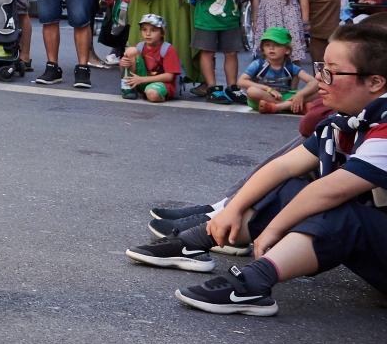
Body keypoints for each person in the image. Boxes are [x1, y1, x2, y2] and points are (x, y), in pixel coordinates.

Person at [164, 18, 387, 316]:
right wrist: (231, 209)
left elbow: (331, 191)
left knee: (340, 212)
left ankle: (254, 282)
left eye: (331, 73)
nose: (320, 79)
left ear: (375, 82)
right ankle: (202, 237)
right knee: (291, 189)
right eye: (321, 68)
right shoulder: (348, 120)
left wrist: (274, 229)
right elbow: (281, 168)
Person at [241, 27, 309, 114]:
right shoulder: (258, 64)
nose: (271, 48)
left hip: (284, 95)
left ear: (287, 50)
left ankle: (277, 107)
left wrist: (301, 94)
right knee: (251, 91)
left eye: (277, 45)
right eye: (267, 45)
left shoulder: (291, 66)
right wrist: (267, 89)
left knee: (319, 92)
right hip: (262, 97)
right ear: (263, 50)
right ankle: (288, 106)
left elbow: (314, 82)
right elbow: (242, 81)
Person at [119, 14, 181, 102]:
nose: (148, 34)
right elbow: (125, 70)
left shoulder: (168, 49)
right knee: (130, 50)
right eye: (144, 30)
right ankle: (130, 89)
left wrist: (142, 79)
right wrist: (122, 64)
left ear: (163, 32)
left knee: (152, 94)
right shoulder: (139, 46)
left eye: (153, 30)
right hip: (140, 80)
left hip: (161, 83)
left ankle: (162, 96)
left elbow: (169, 76)